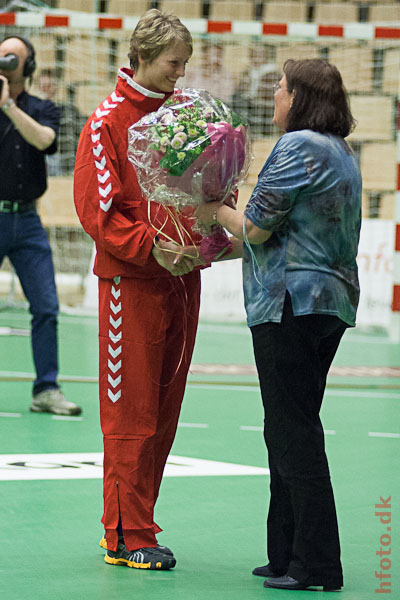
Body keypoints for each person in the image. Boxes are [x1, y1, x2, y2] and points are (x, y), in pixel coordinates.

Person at [196, 59, 361, 591]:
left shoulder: (298, 147)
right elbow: (285, 235)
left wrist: (210, 203)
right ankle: (287, 555)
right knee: (288, 428)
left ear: (301, 98)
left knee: (294, 433)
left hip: (291, 303)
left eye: (281, 89)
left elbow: (255, 230)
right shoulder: (342, 151)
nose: (275, 97)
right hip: (327, 304)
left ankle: (317, 564)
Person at [74, 9, 225, 571]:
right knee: (130, 409)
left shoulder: (185, 115)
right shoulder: (106, 122)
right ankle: (125, 533)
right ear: (142, 57)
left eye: (184, 66)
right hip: (130, 285)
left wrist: (211, 223)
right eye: (171, 65)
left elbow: (204, 186)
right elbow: (98, 212)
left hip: (183, 279)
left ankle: (139, 523)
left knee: (165, 407)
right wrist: (151, 247)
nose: (179, 76)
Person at [0, 35, 82, 416]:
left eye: (15, 56)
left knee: (47, 306)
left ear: (29, 65)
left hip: (28, 220)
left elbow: (46, 141)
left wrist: (8, 108)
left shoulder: (44, 109)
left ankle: (46, 388)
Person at [37, 68, 87, 175]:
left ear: (55, 87)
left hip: (60, 159)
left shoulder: (68, 111)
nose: (45, 89)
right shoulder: (32, 109)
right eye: (43, 86)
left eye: (48, 86)